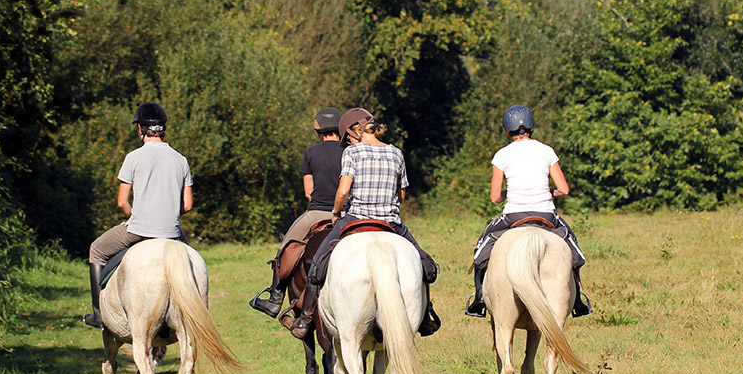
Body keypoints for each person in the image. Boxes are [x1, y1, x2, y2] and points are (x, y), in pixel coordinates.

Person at [291, 108, 441, 339]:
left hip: (356, 217)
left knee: (318, 264)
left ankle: (305, 318)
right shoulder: (396, 153)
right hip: (391, 221)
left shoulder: (352, 153)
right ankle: (425, 317)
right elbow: (401, 196)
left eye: (347, 137)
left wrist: (336, 211)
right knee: (423, 265)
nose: (348, 141)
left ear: (353, 132)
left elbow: (342, 191)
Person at [464, 104, 590, 318]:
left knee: (481, 250)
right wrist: (548, 191)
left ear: (506, 130)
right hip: (547, 215)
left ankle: (479, 298)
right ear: (531, 127)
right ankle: (577, 299)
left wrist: (508, 192)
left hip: (513, 215)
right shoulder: (547, 151)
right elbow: (564, 189)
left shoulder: (501, 155)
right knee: (573, 249)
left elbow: (494, 197)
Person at [84, 102, 194, 328]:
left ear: (142, 129)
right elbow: (188, 205)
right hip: (171, 233)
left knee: (96, 249)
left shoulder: (133, 158)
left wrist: (139, 216)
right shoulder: (180, 160)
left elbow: (122, 202)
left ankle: (98, 314)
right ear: (162, 129)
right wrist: (167, 214)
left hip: (137, 230)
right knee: (192, 265)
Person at [249, 107, 345, 317]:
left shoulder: (310, 153)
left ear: (318, 129)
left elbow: (309, 192)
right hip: (346, 215)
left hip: (317, 214)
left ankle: (275, 299)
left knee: (284, 250)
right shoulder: (349, 151)